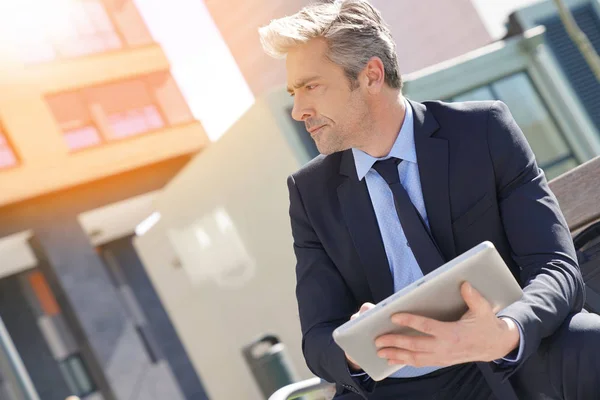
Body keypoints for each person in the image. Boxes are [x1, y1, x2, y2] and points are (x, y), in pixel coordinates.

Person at [259, 1, 600, 399]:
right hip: (405, 387)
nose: (299, 109)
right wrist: (357, 346)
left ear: (371, 75)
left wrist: (507, 330)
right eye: (293, 92)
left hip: (513, 352)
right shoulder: (309, 194)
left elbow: (555, 266)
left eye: (311, 86)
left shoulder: (483, 131)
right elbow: (318, 338)